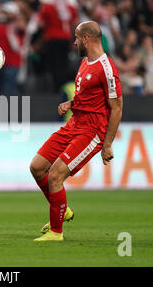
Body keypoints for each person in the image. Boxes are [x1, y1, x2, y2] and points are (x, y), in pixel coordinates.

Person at [29, 21, 123, 241]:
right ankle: (62, 207)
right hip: (74, 124)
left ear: (86, 39)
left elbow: (117, 107)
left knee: (55, 175)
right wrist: (71, 104)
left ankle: (56, 232)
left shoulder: (107, 68)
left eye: (76, 38)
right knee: (37, 167)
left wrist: (107, 144)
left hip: (92, 131)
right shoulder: (84, 62)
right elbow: (88, 98)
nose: (74, 42)